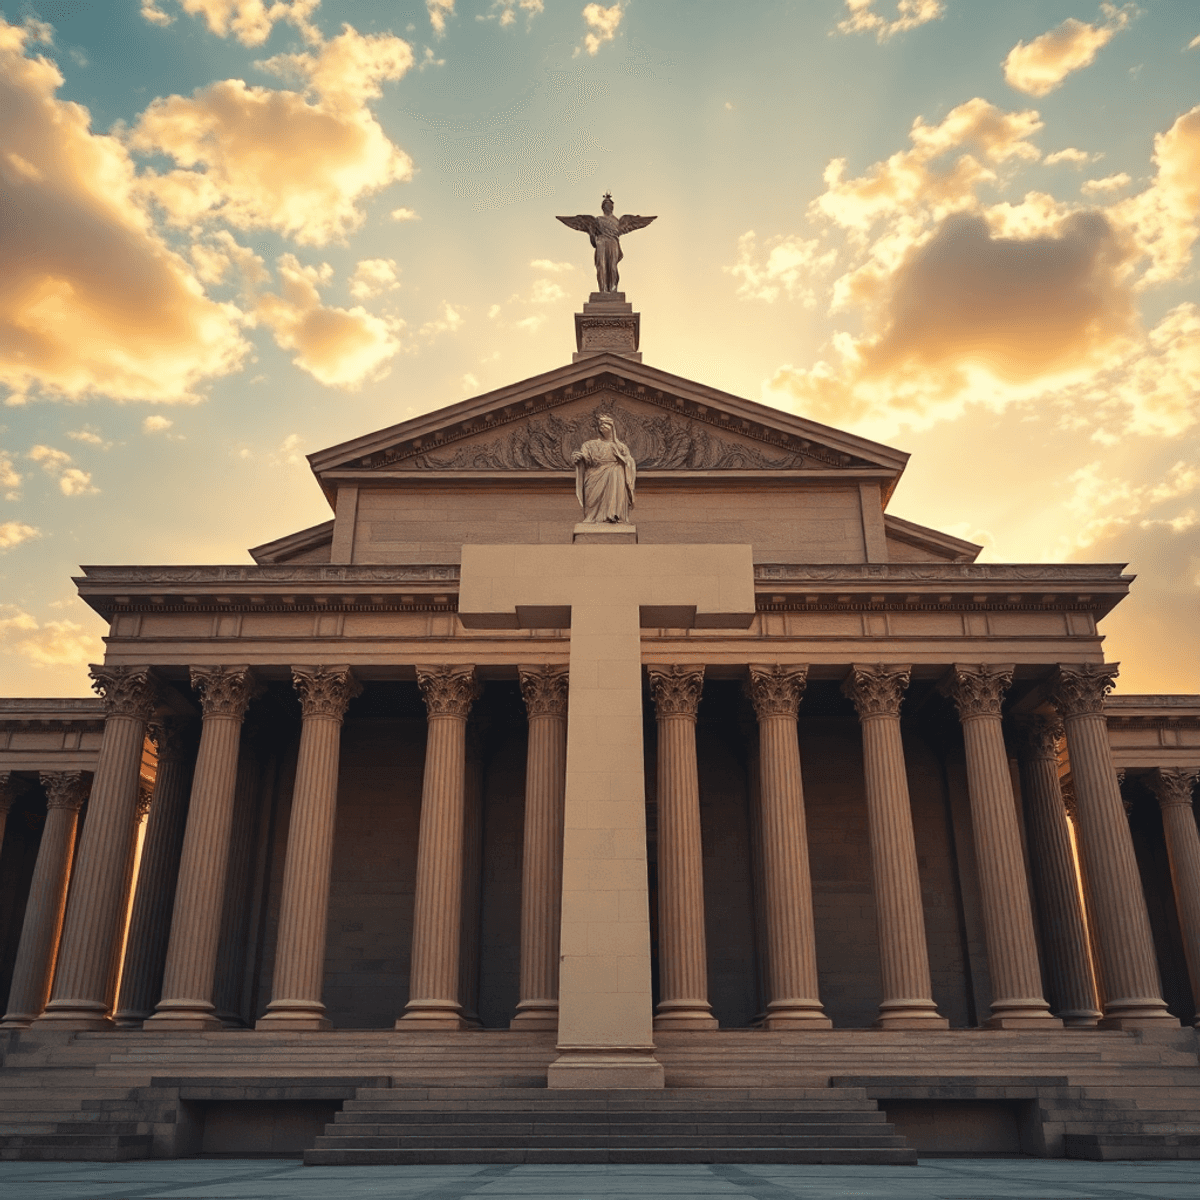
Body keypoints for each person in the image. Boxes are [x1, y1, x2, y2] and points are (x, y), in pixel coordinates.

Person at [572, 414, 636, 523]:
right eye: (601, 424)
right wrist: (579, 457)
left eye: (606, 424)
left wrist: (623, 460)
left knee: (617, 470)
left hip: (614, 476)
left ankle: (614, 514)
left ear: (613, 428)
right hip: (594, 475)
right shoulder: (590, 444)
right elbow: (585, 457)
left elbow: (629, 461)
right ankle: (593, 517)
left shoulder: (620, 447)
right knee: (592, 500)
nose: (603, 426)